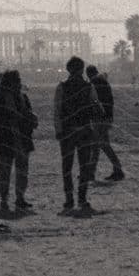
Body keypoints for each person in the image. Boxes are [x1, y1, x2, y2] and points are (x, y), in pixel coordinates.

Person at [53, 56, 99, 214]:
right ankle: (82, 198)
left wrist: (58, 130)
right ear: (81, 69)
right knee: (84, 166)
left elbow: (57, 111)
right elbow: (97, 107)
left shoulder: (62, 87)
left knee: (67, 166)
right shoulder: (89, 87)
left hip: (67, 131)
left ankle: (69, 199)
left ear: (68, 69)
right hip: (85, 130)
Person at [0, 68, 36, 212]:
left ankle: (17, 198)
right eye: (17, 81)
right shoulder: (2, 97)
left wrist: (28, 119)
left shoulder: (11, 97)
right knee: (10, 170)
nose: (18, 83)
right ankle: (9, 199)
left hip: (13, 138)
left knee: (14, 170)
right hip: (10, 137)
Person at [85, 64, 124, 181]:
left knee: (101, 145)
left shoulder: (95, 83)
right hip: (105, 117)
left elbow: (93, 101)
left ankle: (117, 169)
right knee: (97, 145)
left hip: (100, 118)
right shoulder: (102, 81)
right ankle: (91, 172)